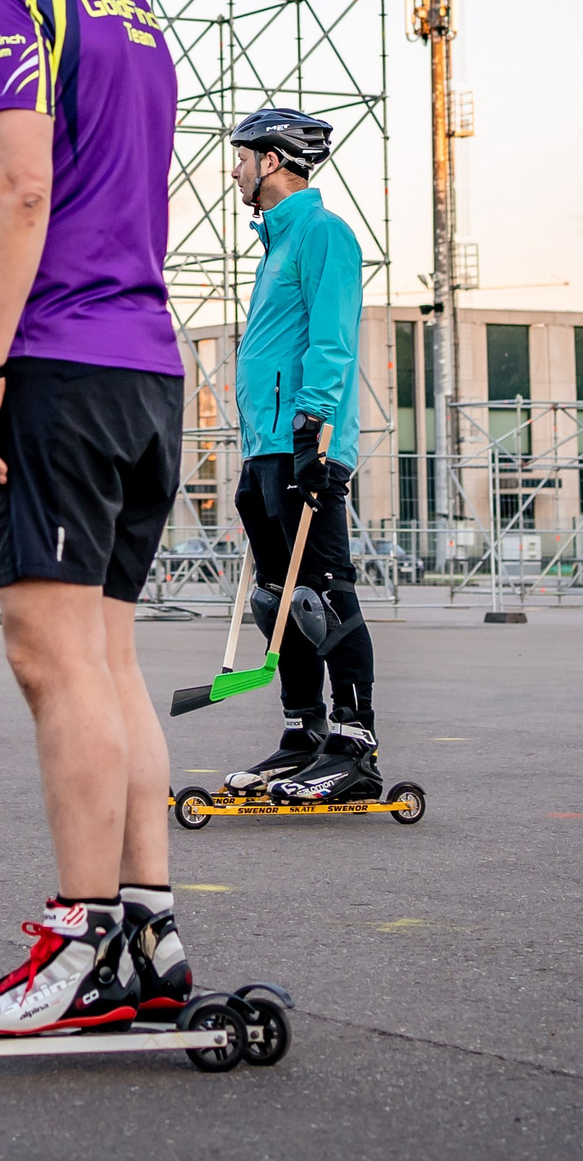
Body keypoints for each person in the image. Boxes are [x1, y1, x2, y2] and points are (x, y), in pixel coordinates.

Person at [0, 0, 187, 1034]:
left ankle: (80, 938)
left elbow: (20, 186)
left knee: (45, 657)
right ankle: (146, 928)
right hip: (149, 365)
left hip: (64, 360)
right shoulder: (136, 8)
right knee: (111, 660)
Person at [220, 108, 381, 804]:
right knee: (274, 599)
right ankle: (302, 733)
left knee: (320, 594)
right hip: (265, 447)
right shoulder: (274, 246)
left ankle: (354, 744)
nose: (234, 169)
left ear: (275, 159)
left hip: (304, 444)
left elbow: (332, 337)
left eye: (241, 156)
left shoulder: (323, 233)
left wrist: (314, 427)